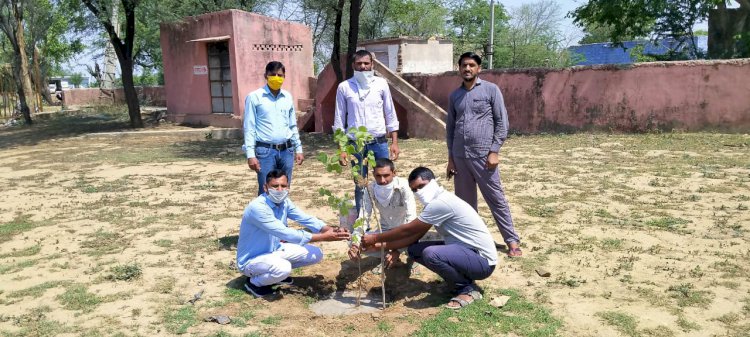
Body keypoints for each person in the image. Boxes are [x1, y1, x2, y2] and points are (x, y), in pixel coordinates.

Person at [361, 167, 497, 309]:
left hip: (483, 262)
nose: (419, 192)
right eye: (414, 189)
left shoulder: (441, 203)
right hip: (467, 252)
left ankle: (467, 289)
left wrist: (375, 238)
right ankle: (459, 279)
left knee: (431, 254)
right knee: (414, 249)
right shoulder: (433, 204)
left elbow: (408, 230)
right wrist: (377, 246)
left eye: (421, 186)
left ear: (433, 181)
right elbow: (413, 237)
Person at [445, 51, 523, 258]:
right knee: (465, 204)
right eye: (464, 65)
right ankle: (473, 241)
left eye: (471, 65)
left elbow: (502, 122)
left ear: (479, 68)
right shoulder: (455, 96)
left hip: (483, 157)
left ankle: (512, 240)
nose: (467, 69)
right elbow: (450, 128)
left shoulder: (491, 90)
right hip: (460, 157)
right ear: (459, 68)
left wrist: (494, 151)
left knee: (496, 199)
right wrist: (451, 158)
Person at [236, 169, 351, 298]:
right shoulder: (258, 208)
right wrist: (324, 237)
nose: (280, 190)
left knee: (315, 254)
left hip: (274, 249)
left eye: (283, 186)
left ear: (288, 187)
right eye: (275, 186)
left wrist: (328, 229)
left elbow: (305, 218)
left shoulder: (284, 202)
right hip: (252, 260)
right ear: (265, 188)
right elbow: (285, 233)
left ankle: (276, 276)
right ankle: (254, 283)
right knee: (283, 268)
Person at [333, 49, 400, 212]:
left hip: (379, 143)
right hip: (356, 145)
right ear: (353, 65)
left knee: (385, 182)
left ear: (372, 65)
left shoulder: (381, 84)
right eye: (359, 63)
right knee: (360, 184)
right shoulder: (344, 87)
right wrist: (342, 149)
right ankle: (363, 221)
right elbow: (339, 120)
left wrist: (394, 143)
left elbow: (390, 113)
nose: (363, 66)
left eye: (366, 63)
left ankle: (388, 218)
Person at [243, 61, 304, 196]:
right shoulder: (255, 97)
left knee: (283, 189)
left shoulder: (287, 97)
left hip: (286, 151)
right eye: (273, 74)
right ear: (266, 75)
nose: (277, 78)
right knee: (266, 190)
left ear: (284, 77)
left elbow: (292, 125)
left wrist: (298, 149)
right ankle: (264, 217)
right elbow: (249, 127)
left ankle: (281, 217)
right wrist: (250, 155)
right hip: (265, 151)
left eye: (280, 75)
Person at [347, 158, 417, 270]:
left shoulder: (404, 186)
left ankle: (408, 256)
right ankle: (387, 257)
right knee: (353, 242)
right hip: (384, 231)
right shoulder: (370, 189)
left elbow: (411, 218)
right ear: (373, 174)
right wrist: (356, 244)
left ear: (394, 173)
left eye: (386, 175)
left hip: (405, 231)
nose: (382, 180)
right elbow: (364, 217)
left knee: (417, 242)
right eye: (378, 176)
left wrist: (396, 250)